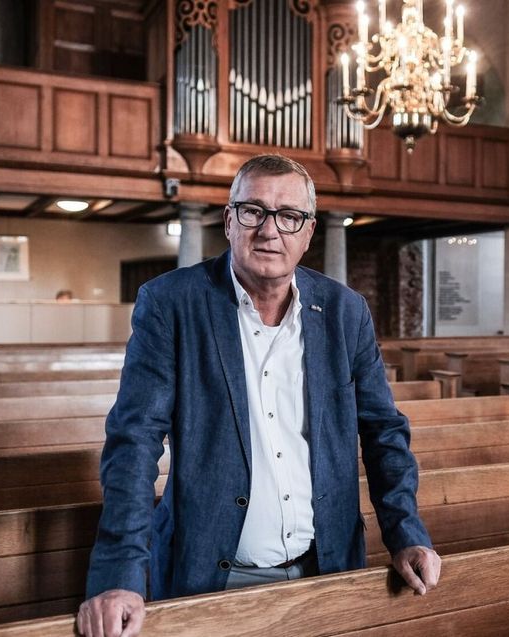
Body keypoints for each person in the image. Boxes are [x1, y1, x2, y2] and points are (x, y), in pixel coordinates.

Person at [77, 155, 440, 637]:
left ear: (308, 232)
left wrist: (405, 533)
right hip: (210, 575)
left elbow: (383, 433)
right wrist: (119, 578)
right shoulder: (171, 303)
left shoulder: (344, 311)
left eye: (289, 216)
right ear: (229, 221)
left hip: (326, 567)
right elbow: (134, 442)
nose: (270, 231)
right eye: (253, 211)